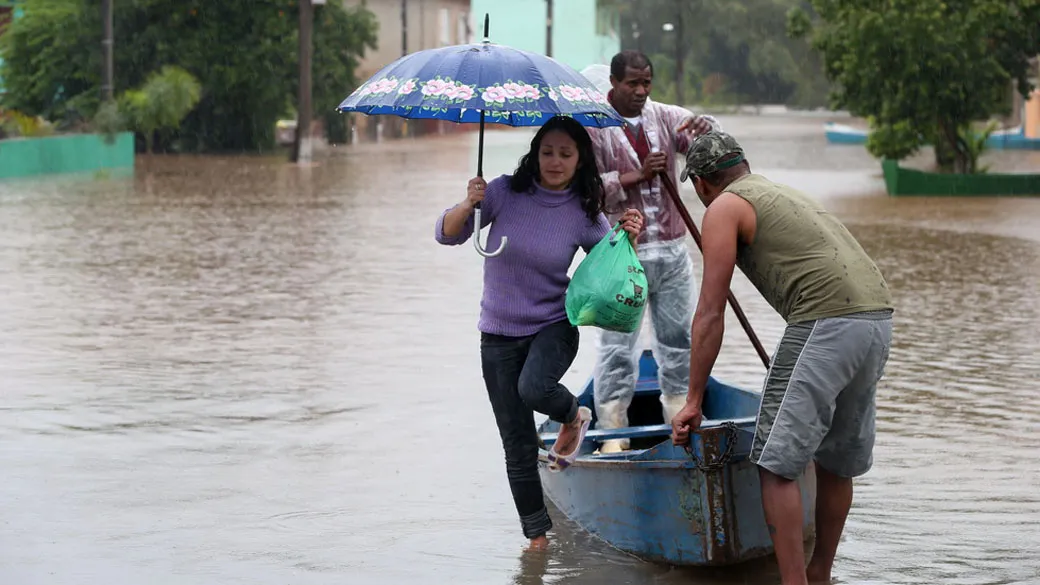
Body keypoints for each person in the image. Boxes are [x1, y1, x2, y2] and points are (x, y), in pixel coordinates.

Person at [669, 130, 894, 585]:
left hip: (824, 321)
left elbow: (710, 314)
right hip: (877, 320)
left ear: (702, 183)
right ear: (743, 167)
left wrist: (692, 400)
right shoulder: (781, 193)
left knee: (775, 463)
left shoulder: (723, 208)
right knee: (836, 462)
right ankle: (820, 574)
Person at [434, 115, 644, 551]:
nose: (555, 161)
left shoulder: (585, 209)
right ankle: (537, 542)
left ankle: (573, 415)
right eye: (547, 152)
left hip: (553, 326)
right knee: (516, 442)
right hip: (497, 335)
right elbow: (446, 234)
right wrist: (468, 203)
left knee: (534, 389)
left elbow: (612, 273)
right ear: (535, 153)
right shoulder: (503, 192)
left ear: (580, 159)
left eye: (566, 154)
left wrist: (629, 239)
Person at [581, 51, 721, 452]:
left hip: (673, 252)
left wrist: (704, 129)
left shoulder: (664, 115)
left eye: (647, 83)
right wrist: (636, 174)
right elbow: (586, 187)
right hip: (623, 254)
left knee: (678, 339)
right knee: (617, 345)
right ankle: (613, 433)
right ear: (614, 82)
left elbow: (711, 142)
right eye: (632, 84)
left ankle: (679, 420)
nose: (641, 91)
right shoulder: (593, 125)